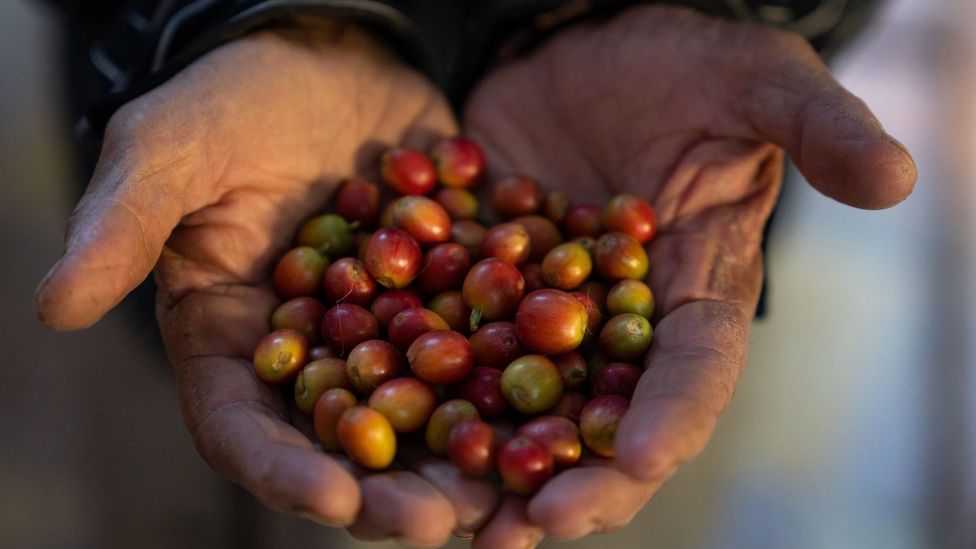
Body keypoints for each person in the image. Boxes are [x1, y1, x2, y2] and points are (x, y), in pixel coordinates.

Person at [36, 1, 916, 547]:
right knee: (167, 500)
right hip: (206, 240)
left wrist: (716, 9)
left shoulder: (554, 304)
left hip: (667, 189)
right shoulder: (386, 304)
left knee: (629, 494)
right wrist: (213, 13)